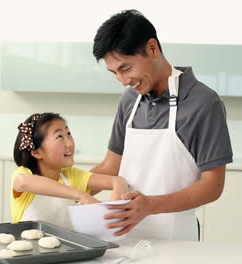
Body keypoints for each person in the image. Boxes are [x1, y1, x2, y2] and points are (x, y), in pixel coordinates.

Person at [90, 9, 233, 240]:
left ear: (152, 48)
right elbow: (111, 166)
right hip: (122, 239)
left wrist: (150, 206)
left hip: (176, 242)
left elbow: (212, 186)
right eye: (114, 73)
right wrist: (60, 187)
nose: (123, 80)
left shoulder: (204, 103)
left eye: (126, 68)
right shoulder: (129, 100)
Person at [11, 112, 129, 230]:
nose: (69, 143)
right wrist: (81, 195)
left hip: (66, 247)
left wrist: (115, 209)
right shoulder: (24, 173)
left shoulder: (71, 175)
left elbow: (117, 181)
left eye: (68, 133)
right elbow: (23, 183)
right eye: (59, 137)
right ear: (37, 152)